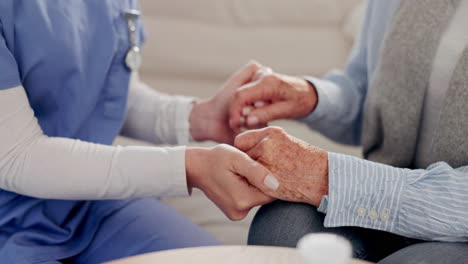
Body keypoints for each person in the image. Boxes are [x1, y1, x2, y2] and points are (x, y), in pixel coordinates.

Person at [0, 2, 277, 264]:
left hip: (89, 201)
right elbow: (15, 157)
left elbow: (107, 93)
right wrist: (189, 167)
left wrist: (195, 118)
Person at [228, 0, 468, 263]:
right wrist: (311, 96)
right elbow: (366, 92)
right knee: (281, 228)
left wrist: (328, 177)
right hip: (385, 195)